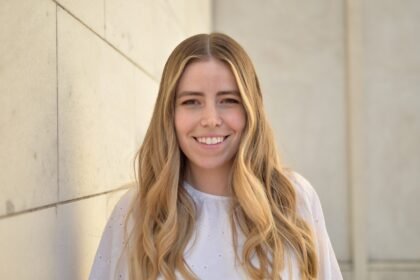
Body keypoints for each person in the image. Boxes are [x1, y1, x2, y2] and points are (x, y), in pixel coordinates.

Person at [89, 33, 343, 280]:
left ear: (250, 110)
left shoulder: (293, 198)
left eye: (228, 100)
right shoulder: (136, 211)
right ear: (169, 114)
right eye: (191, 102)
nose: (210, 119)